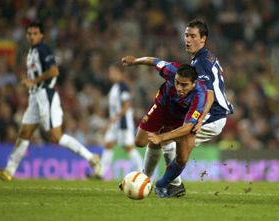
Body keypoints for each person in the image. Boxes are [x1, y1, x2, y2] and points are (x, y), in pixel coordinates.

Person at [0, 21, 101, 181]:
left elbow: (54, 70)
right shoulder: (32, 52)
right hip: (35, 96)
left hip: (46, 95)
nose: (32, 36)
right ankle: (9, 171)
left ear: (41, 35)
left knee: (55, 136)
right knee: (25, 132)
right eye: (29, 33)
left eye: (35, 33)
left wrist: (34, 81)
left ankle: (92, 158)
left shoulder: (43, 50)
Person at [142, 19, 234, 197]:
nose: (188, 40)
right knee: (172, 143)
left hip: (212, 115)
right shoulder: (206, 56)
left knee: (171, 141)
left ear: (203, 39)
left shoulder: (200, 64)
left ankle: (162, 183)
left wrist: (199, 119)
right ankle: (170, 184)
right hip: (214, 114)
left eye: (193, 36)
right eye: (186, 36)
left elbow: (209, 94)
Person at [121, 56, 207, 197]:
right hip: (161, 107)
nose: (179, 88)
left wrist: (161, 137)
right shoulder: (171, 69)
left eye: (184, 85)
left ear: (193, 83)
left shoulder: (200, 95)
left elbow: (187, 127)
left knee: (182, 158)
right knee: (140, 142)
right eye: (177, 83)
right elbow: (153, 61)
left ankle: (150, 181)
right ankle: (151, 178)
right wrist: (135, 61)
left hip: (182, 119)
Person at [99, 63, 143, 179]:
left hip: (123, 123)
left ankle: (142, 171)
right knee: (108, 144)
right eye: (110, 72)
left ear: (120, 73)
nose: (111, 75)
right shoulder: (115, 87)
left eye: (114, 72)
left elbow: (127, 104)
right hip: (115, 124)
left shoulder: (123, 87)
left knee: (128, 147)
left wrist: (116, 116)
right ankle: (101, 173)